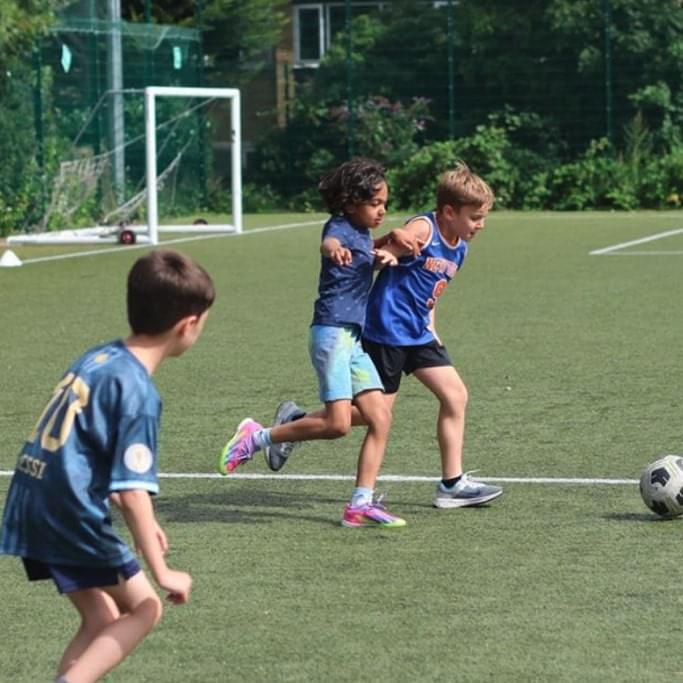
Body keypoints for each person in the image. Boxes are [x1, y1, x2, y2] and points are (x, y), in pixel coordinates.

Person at [0, 249, 215, 683]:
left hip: (30, 497)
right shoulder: (138, 394)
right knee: (146, 607)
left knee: (103, 616)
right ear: (188, 325)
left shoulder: (101, 357)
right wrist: (161, 568)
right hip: (67, 511)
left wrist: (144, 525)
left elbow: (98, 459)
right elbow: (133, 492)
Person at [269, 162, 503, 510]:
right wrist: (388, 252)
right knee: (368, 415)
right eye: (475, 217)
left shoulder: (460, 248)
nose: (480, 225)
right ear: (449, 212)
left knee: (455, 396)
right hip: (385, 333)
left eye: (483, 218)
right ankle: (295, 424)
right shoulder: (426, 227)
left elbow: (430, 289)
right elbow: (398, 240)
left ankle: (451, 485)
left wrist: (431, 327)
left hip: (418, 334)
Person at [217, 157, 412, 528]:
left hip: (353, 338)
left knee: (380, 417)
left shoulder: (362, 233)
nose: (382, 210)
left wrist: (392, 240)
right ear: (352, 202)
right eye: (375, 204)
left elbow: (365, 257)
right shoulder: (339, 226)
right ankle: (255, 438)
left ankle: (360, 503)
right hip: (332, 333)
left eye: (385, 203)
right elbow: (330, 243)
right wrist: (333, 250)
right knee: (338, 424)